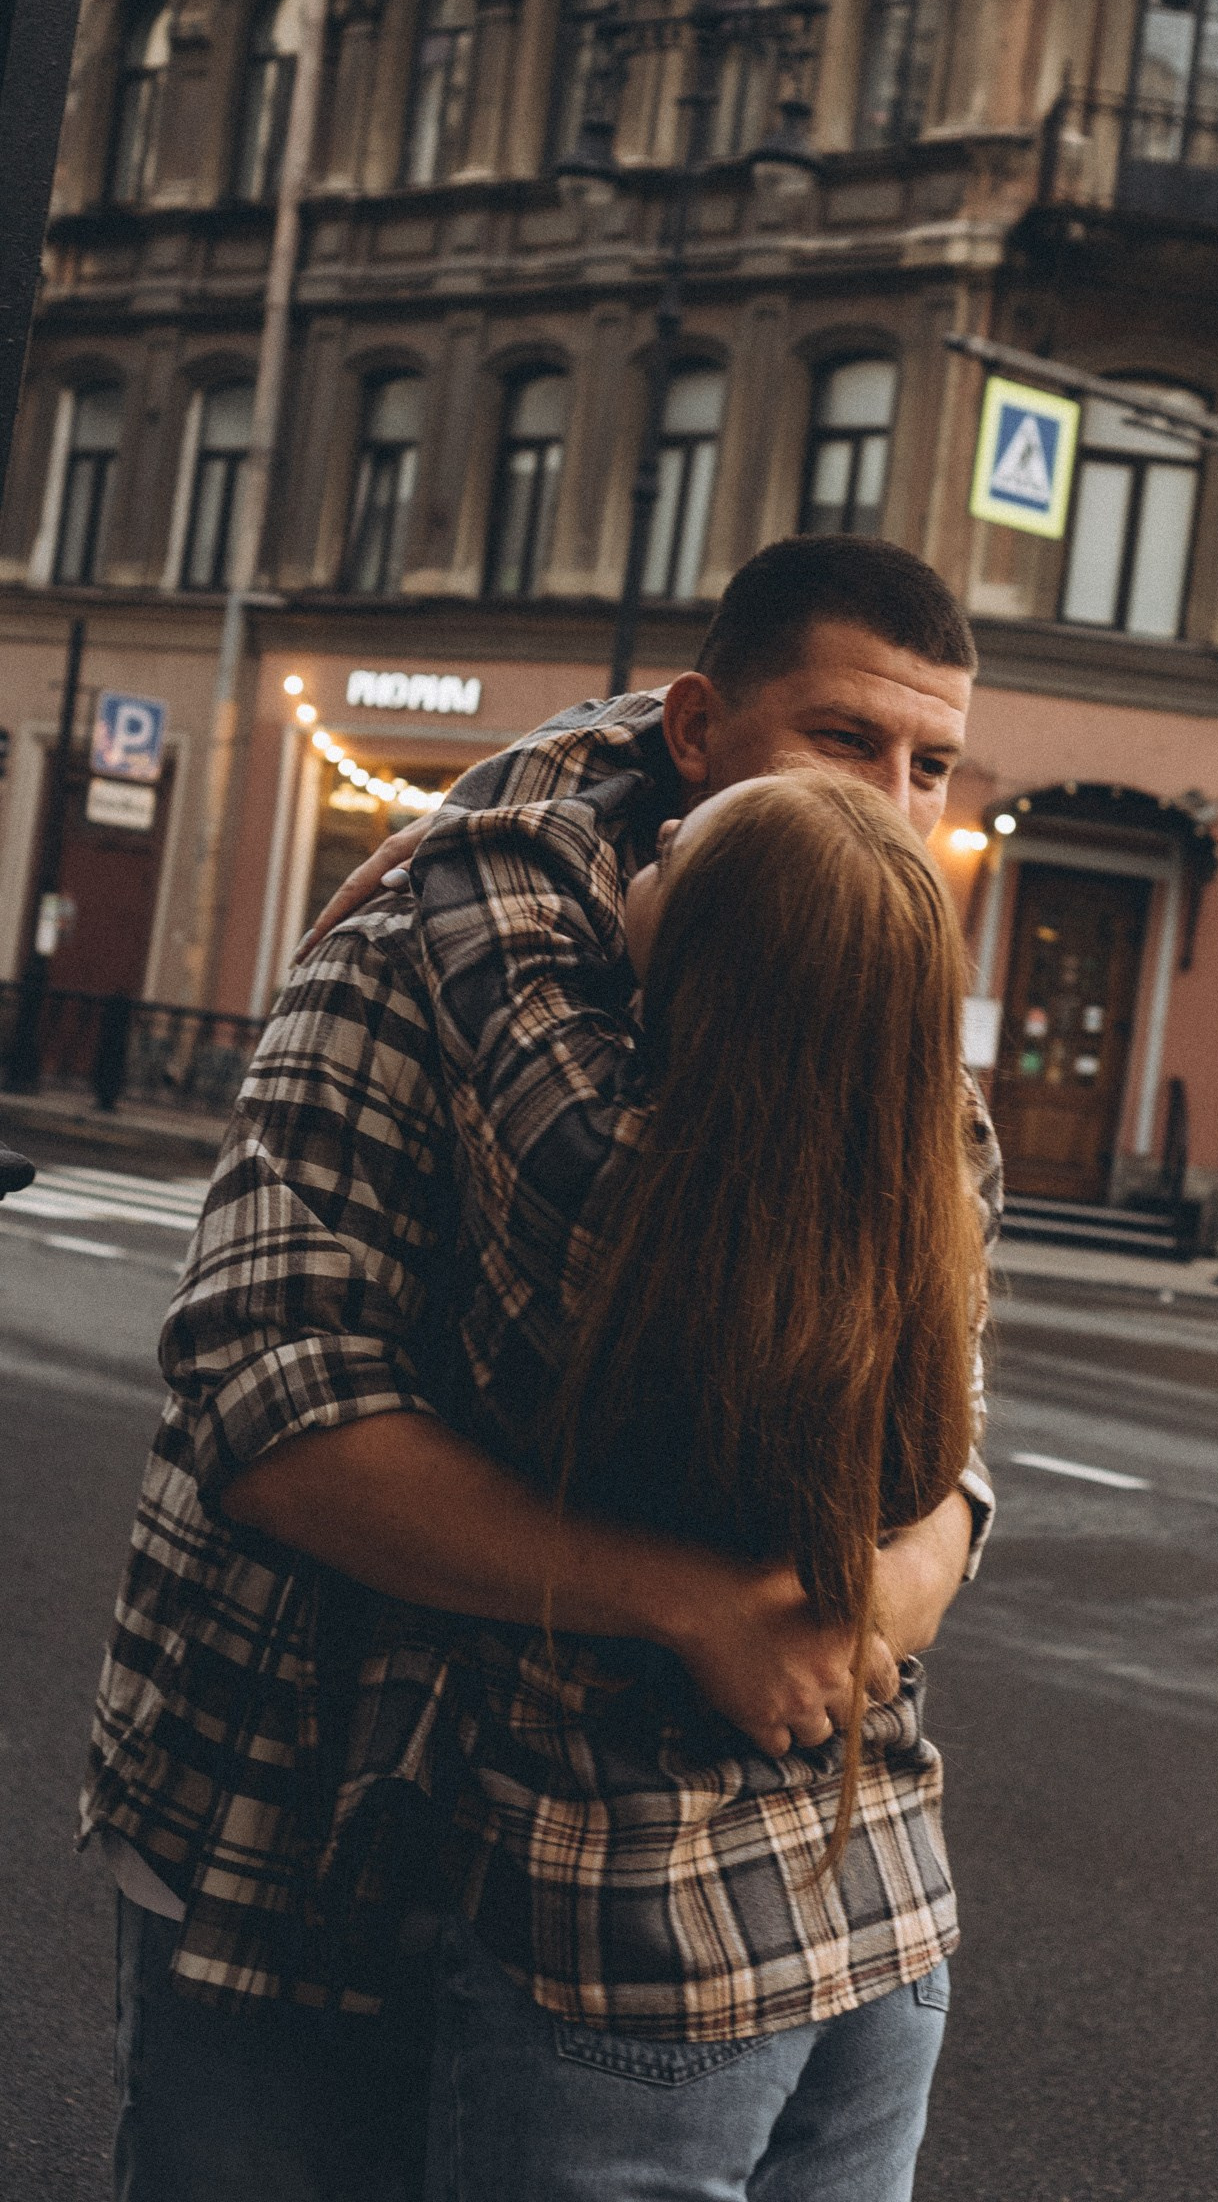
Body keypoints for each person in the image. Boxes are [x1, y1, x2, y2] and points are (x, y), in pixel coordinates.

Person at [84, 536, 999, 2201]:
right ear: (700, 732)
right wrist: (703, 1605)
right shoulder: (426, 957)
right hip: (286, 1811)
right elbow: (265, 1395)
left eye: (931, 764)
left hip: (605, 1895)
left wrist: (889, 1580)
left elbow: (949, 1442)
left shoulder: (880, 1033)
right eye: (846, 741)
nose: (895, 800)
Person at [423, 765, 987, 2199]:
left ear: (708, 957)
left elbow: (478, 880)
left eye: (675, 854)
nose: (646, 852)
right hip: (884, 1917)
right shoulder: (942, 1208)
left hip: (642, 1931)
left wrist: (630, 753)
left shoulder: (594, 1174)